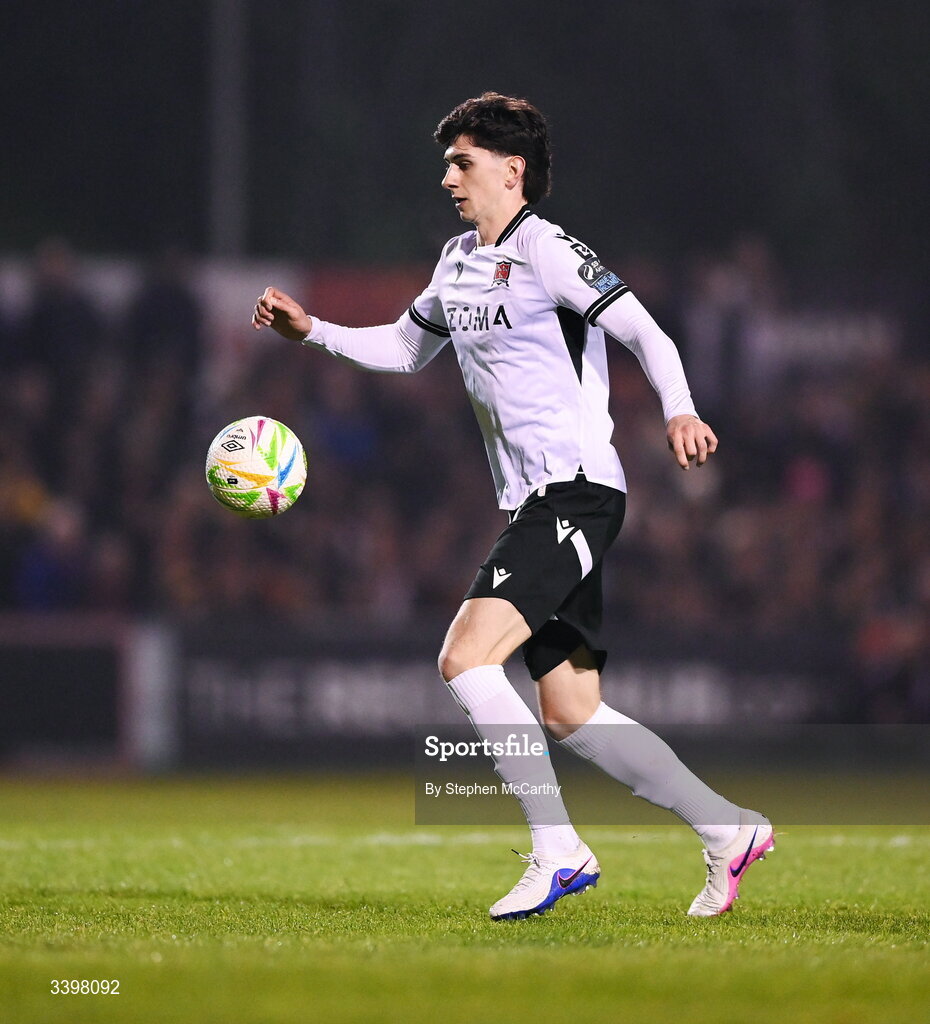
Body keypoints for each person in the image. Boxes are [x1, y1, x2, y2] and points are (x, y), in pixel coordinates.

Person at [251, 92, 774, 920]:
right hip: (535, 502)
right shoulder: (457, 260)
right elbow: (405, 347)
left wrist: (679, 409)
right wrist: (312, 329)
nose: (449, 178)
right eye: (448, 164)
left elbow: (647, 332)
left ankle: (558, 850)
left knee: (464, 658)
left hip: (577, 491)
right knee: (572, 713)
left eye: (462, 162)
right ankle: (728, 829)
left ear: (511, 169)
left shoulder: (548, 250)